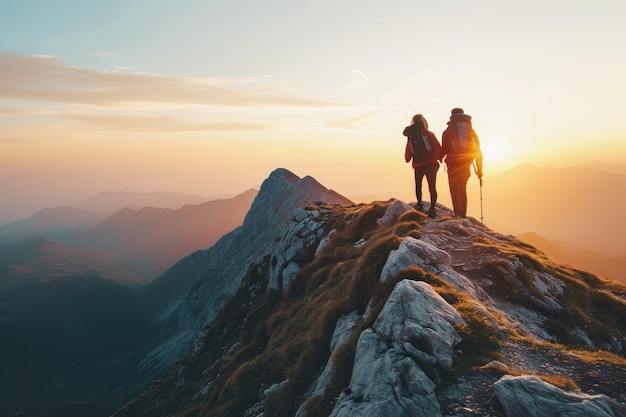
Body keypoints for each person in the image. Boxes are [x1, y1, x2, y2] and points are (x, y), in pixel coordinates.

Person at [440, 107, 483, 218]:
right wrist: (479, 170)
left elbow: (444, 149)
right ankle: (463, 213)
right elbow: (478, 152)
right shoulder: (471, 133)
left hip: (453, 165)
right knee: (462, 188)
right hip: (466, 164)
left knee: (455, 190)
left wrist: (437, 158)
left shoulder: (448, 131)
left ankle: (458, 214)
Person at [403, 114, 442, 218]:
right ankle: (432, 208)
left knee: (418, 185)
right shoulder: (429, 134)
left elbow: (408, 151)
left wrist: (407, 158)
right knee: (432, 187)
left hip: (418, 165)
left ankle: (419, 204)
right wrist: (439, 159)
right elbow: (438, 147)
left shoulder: (411, 136)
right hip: (431, 164)